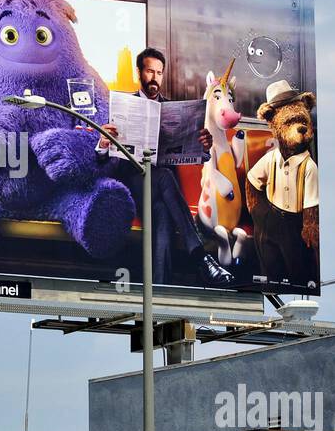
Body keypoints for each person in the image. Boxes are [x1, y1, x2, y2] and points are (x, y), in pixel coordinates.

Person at [97, 47, 234, 286]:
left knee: (162, 210)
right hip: (133, 187)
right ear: (139, 72)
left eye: (159, 73)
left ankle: (158, 296)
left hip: (162, 193)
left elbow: (195, 157)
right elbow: (100, 159)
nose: (155, 78)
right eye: (150, 71)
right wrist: (102, 142)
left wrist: (204, 147)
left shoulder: (174, 111)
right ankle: (202, 259)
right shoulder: (121, 106)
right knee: (162, 178)